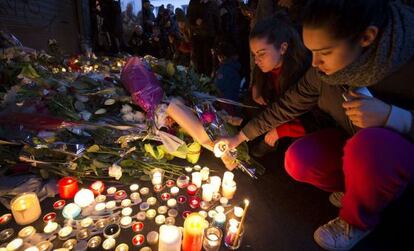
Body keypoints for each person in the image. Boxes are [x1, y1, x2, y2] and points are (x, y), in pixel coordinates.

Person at [217, 0, 414, 250]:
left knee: (369, 145)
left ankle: (359, 220)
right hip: (353, 144)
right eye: (312, 52)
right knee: (299, 158)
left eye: (325, 52)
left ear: (366, 37)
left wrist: (392, 116)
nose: (314, 64)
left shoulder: (406, 64)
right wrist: (239, 138)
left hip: (393, 153)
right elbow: (287, 105)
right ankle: (356, 191)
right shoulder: (323, 74)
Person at [246, 13, 326, 157]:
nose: (257, 61)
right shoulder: (266, 67)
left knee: (296, 155)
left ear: (283, 48)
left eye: (261, 54)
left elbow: (315, 119)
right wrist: (255, 86)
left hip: (303, 124)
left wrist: (281, 130)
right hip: (276, 115)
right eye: (254, 55)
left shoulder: (302, 72)